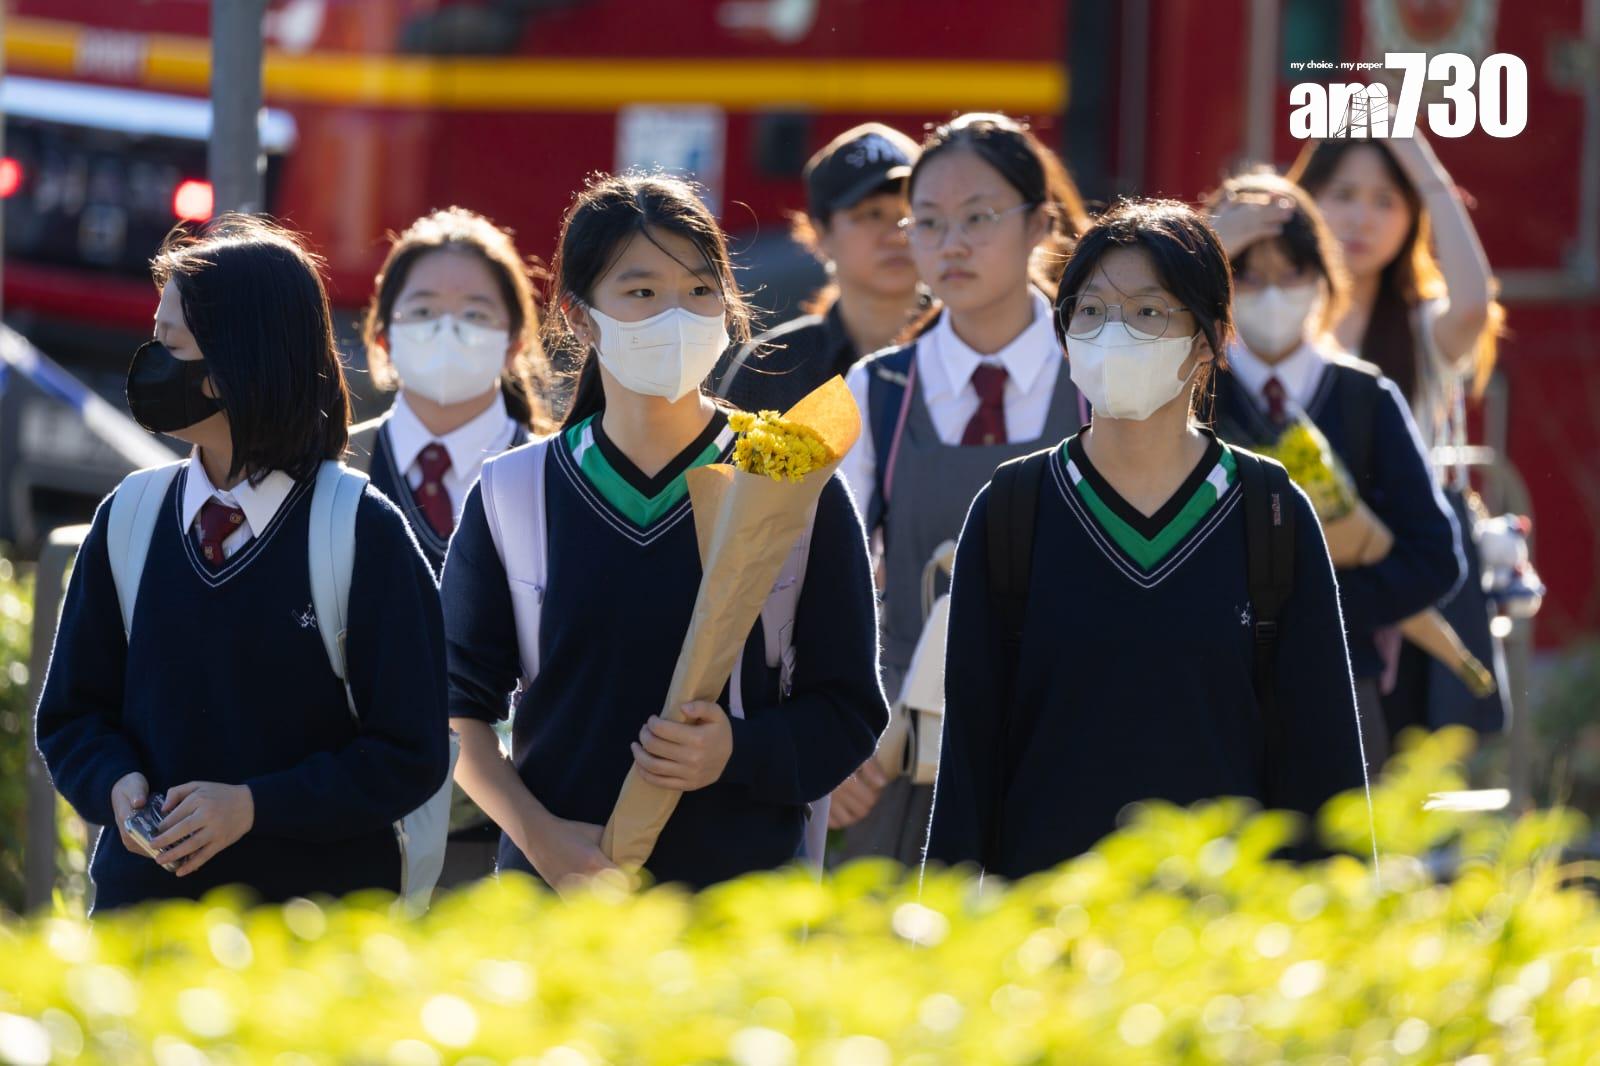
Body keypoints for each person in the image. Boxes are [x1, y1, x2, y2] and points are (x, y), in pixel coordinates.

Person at [440, 173, 888, 894]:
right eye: (643, 292)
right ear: (579, 317)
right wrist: (543, 841)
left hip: (739, 907)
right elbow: (454, 708)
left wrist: (735, 750)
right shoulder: (514, 493)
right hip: (558, 905)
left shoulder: (793, 481)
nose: (677, 316)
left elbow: (849, 713)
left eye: (700, 290)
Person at [925, 199, 1367, 878]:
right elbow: (967, 763)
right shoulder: (1013, 509)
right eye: (1091, 311)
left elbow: (1326, 765)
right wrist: (940, 922)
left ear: (1207, 340)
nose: (1113, 333)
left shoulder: (1270, 512)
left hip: (1229, 922)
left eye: (1148, 311)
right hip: (1046, 923)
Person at [34, 216, 449, 911]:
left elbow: (409, 755)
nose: (150, 361)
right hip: (141, 927)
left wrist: (254, 806)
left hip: (314, 935)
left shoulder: (362, 530)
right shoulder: (130, 515)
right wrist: (116, 786)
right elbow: (73, 717)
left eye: (171, 344)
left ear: (234, 366)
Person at [832, 112, 1090, 865]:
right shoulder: (878, 389)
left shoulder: (1099, 380)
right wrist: (835, 732)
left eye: (979, 217)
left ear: (1040, 223)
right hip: (895, 762)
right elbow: (822, 581)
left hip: (1064, 742)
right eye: (929, 222)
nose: (951, 244)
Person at [1204, 170, 1464, 765]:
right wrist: (1204, 246)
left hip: (1343, 680)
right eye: (1247, 274)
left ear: (1323, 276)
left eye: (1291, 272)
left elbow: (1434, 558)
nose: (1272, 293)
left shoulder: (1364, 397)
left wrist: (1315, 608)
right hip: (1212, 682)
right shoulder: (1190, 392)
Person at [1285, 134, 1506, 742]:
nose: (1362, 218)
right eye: (1343, 194)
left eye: (1386, 201)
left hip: (1397, 587)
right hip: (1292, 568)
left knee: (1395, 756)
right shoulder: (1271, 313)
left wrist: (1426, 169)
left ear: (1414, 219)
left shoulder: (1419, 324)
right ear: (1307, 200)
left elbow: (1472, 306)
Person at [351, 207, 552, 576]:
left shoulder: (555, 477)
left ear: (514, 344)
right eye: (423, 311)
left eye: (475, 314)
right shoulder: (335, 468)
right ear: (384, 338)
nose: (447, 331)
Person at [714, 122, 924, 412]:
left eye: (913, 214)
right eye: (872, 214)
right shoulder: (771, 368)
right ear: (820, 232)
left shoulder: (976, 348)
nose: (897, 235)